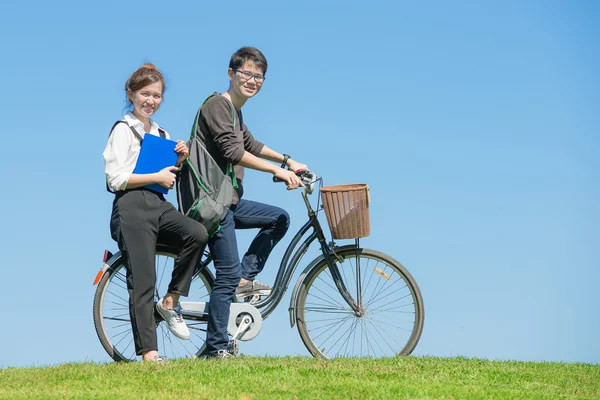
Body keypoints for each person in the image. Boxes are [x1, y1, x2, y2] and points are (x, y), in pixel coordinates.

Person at [193, 47, 309, 358]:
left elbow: (251, 144)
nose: (252, 80)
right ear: (230, 73)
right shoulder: (217, 105)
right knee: (226, 274)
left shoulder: (234, 111)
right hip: (212, 203)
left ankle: (246, 279)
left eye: (258, 76)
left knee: (279, 218)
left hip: (228, 201)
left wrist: (289, 160)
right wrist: (278, 171)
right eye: (245, 73)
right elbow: (233, 151)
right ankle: (215, 348)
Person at [103, 64, 209, 362]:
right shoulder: (123, 130)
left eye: (157, 96)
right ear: (131, 94)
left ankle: (171, 300)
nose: (150, 101)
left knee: (197, 234)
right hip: (131, 206)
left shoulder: (161, 133)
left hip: (159, 205)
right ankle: (150, 355)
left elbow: (167, 174)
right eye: (145, 94)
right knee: (143, 279)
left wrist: (181, 159)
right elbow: (115, 179)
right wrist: (156, 176)